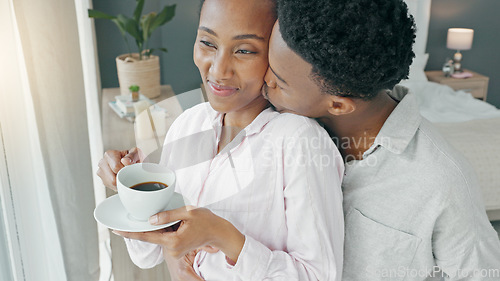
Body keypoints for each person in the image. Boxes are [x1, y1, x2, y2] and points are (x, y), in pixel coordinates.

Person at [97, 0, 344, 280]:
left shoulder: (300, 141)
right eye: (207, 43)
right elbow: (147, 256)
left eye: (244, 50)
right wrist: (133, 189)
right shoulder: (187, 124)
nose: (218, 70)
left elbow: (319, 275)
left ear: (277, 53)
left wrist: (225, 237)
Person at [258, 0, 500, 280]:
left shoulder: (443, 182)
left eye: (279, 81)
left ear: (338, 105)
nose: (263, 82)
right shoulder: (283, 124)